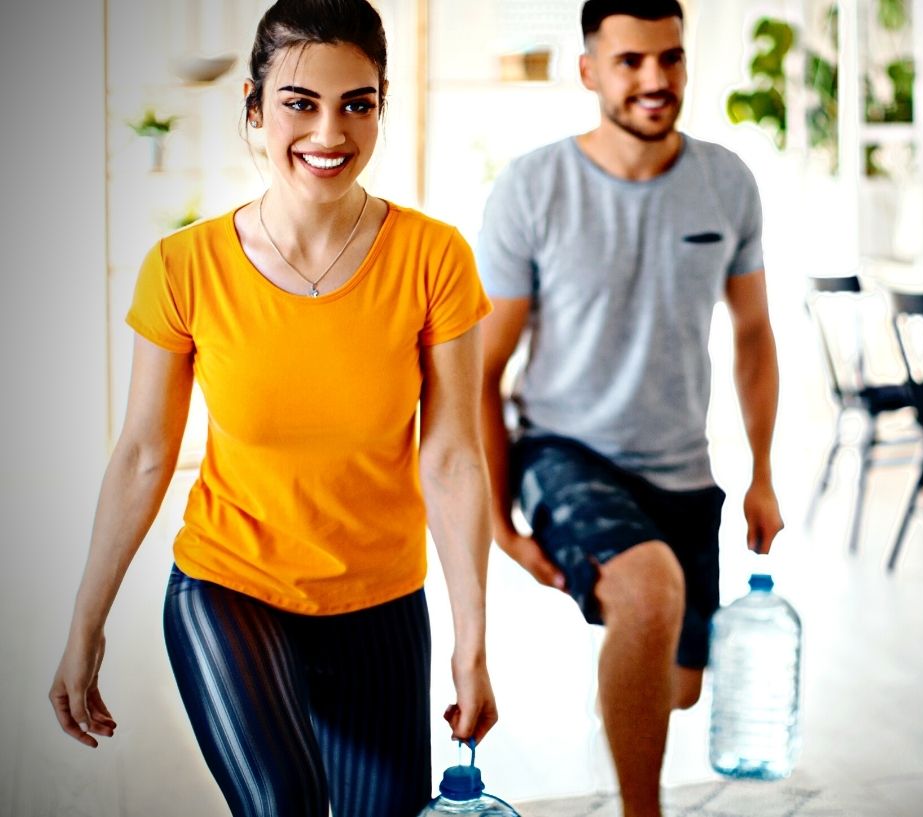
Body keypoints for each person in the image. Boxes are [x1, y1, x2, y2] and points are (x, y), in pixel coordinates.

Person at [48, 2, 498, 815]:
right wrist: (87, 622)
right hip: (231, 585)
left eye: (356, 104)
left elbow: (455, 454)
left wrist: (473, 640)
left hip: (382, 599)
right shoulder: (182, 266)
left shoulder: (435, 258)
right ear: (254, 109)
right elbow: (145, 454)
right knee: (284, 801)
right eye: (300, 102)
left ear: (379, 106)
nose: (329, 133)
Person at [476, 1, 783, 815]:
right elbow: (484, 369)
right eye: (631, 62)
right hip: (563, 449)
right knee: (648, 593)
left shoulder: (726, 182)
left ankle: (627, 676)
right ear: (588, 72)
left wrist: (762, 474)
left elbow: (753, 335)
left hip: (682, 465)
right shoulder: (534, 186)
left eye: (670, 59)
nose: (655, 80)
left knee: (678, 686)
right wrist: (500, 520)